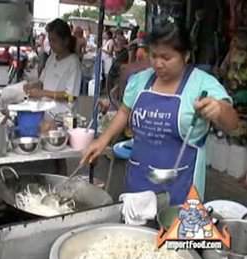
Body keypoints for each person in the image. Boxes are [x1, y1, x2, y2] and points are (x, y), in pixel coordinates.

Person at [81, 17, 239, 205]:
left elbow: (232, 124)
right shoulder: (140, 80)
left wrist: (219, 109)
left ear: (186, 55)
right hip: (138, 181)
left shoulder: (203, 83)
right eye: (153, 56)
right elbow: (124, 112)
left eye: (166, 57)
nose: (158, 64)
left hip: (181, 188)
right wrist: (102, 140)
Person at [24, 18, 82, 115]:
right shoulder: (51, 57)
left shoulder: (73, 63)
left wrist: (43, 93)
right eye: (50, 40)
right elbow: (42, 82)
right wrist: (31, 85)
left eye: (54, 40)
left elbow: (71, 96)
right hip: (46, 111)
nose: (51, 44)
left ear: (66, 41)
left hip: (63, 116)